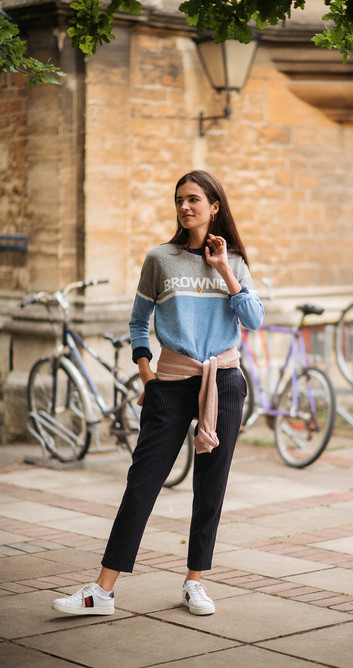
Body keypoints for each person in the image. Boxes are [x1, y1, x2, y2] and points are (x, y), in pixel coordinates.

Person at [52, 170, 264, 617]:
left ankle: (195, 582)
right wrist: (147, 375)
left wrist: (224, 267)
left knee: (211, 486)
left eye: (193, 200)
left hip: (222, 382)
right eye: (179, 200)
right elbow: (137, 323)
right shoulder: (160, 259)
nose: (185, 207)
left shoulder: (236, 261)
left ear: (214, 207)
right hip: (169, 381)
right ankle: (102, 591)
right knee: (142, 483)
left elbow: (253, 319)